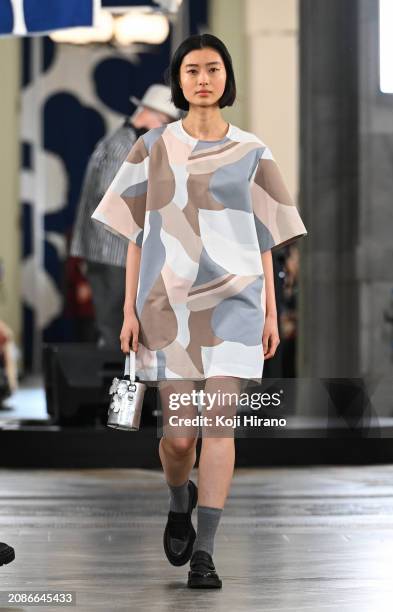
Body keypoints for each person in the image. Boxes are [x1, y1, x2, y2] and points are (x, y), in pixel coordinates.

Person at [91, 33, 307, 588]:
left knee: (220, 428)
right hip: (166, 307)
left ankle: (206, 554)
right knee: (180, 437)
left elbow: (266, 237)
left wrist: (268, 311)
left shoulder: (254, 151)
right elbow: (135, 232)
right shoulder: (152, 146)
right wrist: (128, 311)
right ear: (179, 81)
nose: (203, 79)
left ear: (226, 79)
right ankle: (176, 496)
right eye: (192, 70)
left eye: (213, 69)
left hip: (236, 303)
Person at [70, 85, 180, 347]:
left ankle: (118, 383)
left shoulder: (121, 141)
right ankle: (114, 386)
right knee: (114, 326)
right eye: (163, 123)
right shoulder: (122, 146)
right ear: (149, 114)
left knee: (118, 324)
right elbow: (109, 196)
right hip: (112, 251)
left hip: (112, 250)